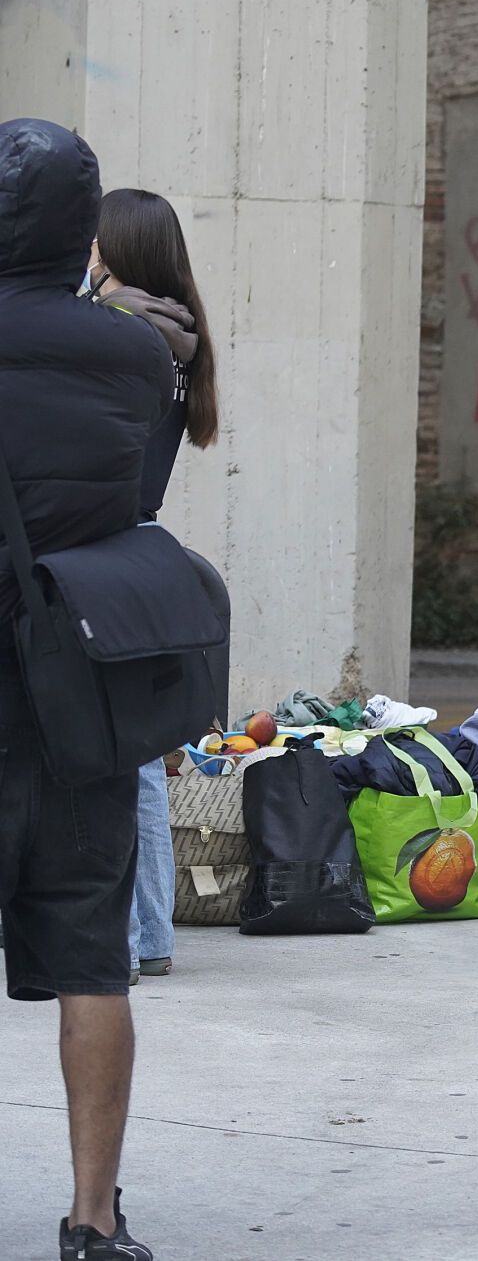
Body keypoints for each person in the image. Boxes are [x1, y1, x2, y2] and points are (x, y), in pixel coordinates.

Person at [0, 117, 172, 1259]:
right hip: (75, 699)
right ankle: (92, 1216)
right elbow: (137, 500)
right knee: (93, 956)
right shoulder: (136, 354)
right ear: (83, 227)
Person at [87, 187, 219, 986]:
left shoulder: (124, 337)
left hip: (101, 553)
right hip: (140, 551)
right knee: (136, 754)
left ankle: (136, 935)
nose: (87, 250)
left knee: (122, 758)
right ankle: (151, 930)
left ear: (121, 249)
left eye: (97, 239)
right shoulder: (179, 341)